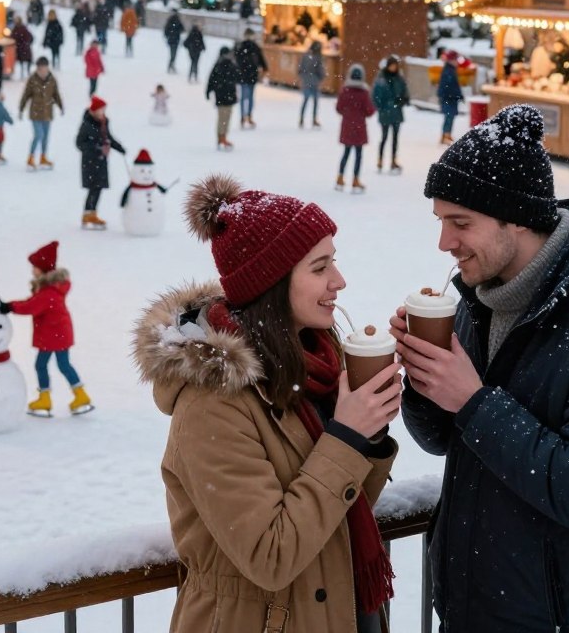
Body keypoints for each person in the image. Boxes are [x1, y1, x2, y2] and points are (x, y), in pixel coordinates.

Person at [390, 104, 569, 633]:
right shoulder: (483, 302)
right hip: (478, 611)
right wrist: (427, 376)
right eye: (440, 221)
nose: (444, 243)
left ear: (516, 218)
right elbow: (443, 438)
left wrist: (474, 402)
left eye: (460, 223)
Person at [132, 174, 400, 633]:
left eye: (333, 262)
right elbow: (270, 555)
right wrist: (348, 438)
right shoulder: (212, 404)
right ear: (272, 284)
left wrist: (368, 436)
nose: (339, 281)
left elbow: (336, 509)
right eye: (319, 268)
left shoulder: (311, 366)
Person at [0, 240, 93, 417]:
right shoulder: (49, 289)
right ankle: (77, 395)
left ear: (42, 269)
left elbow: (30, 307)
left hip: (54, 335)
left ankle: (48, 398)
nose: (32, 270)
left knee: (44, 365)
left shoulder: (49, 292)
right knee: (61, 365)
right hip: (57, 333)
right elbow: (31, 302)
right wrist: (9, 305)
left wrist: (10, 307)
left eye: (34, 266)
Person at [75, 96, 125, 230]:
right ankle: (88, 214)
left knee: (98, 188)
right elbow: (79, 143)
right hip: (91, 161)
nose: (103, 112)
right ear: (95, 110)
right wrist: (96, 148)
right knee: (94, 187)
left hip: (101, 161)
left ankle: (92, 213)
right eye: (101, 109)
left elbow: (108, 137)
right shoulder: (87, 124)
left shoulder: (103, 122)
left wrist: (118, 147)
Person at [335, 64, 375, 192]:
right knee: (358, 155)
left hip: (347, 126)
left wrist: (347, 114)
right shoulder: (364, 93)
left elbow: (338, 108)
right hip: (359, 128)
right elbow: (369, 111)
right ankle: (355, 180)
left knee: (346, 153)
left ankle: (340, 178)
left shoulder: (344, 91)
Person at [19, 56, 64, 170]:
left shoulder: (52, 79)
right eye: (40, 68)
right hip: (35, 113)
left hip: (47, 112)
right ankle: (31, 158)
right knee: (39, 135)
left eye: (44, 68)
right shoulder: (33, 79)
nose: (43, 70)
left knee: (45, 137)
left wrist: (61, 106)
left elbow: (56, 94)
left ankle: (43, 157)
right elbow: (26, 95)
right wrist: (21, 108)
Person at [372, 55, 409, 173]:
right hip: (385, 113)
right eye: (392, 65)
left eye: (395, 66)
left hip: (396, 112)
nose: (393, 68)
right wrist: (382, 106)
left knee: (395, 138)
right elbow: (375, 96)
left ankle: (393, 160)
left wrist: (402, 100)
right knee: (384, 137)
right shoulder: (381, 79)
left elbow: (405, 92)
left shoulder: (399, 79)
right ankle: (380, 159)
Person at [206, 45, 240, 151]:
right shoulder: (230, 65)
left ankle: (221, 137)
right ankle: (222, 137)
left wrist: (208, 91)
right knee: (225, 118)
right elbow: (237, 78)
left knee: (223, 118)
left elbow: (211, 80)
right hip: (227, 95)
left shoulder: (219, 65)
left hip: (221, 95)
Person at [234, 27, 268, 128]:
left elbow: (236, 60)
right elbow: (261, 60)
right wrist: (265, 68)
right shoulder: (254, 47)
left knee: (245, 97)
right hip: (250, 74)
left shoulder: (242, 46)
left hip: (245, 75)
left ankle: (244, 116)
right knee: (249, 97)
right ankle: (247, 116)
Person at [437, 49, 464, 145]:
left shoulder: (451, 70)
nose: (457, 62)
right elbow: (449, 86)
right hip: (449, 98)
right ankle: (445, 135)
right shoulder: (448, 71)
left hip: (451, 98)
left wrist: (459, 95)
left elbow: (454, 85)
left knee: (450, 117)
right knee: (449, 117)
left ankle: (447, 134)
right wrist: (456, 95)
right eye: (455, 60)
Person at [298, 41, 326, 128]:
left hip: (306, 81)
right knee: (315, 101)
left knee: (305, 100)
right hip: (314, 81)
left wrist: (303, 76)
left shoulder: (305, 56)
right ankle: (314, 119)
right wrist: (322, 77)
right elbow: (320, 70)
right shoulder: (318, 58)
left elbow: (300, 68)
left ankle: (301, 119)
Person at [164, 8, 184, 73]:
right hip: (173, 40)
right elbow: (166, 31)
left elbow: (182, 29)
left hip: (174, 40)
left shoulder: (174, 20)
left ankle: (171, 66)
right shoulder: (173, 20)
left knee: (173, 55)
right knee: (173, 55)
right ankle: (170, 66)